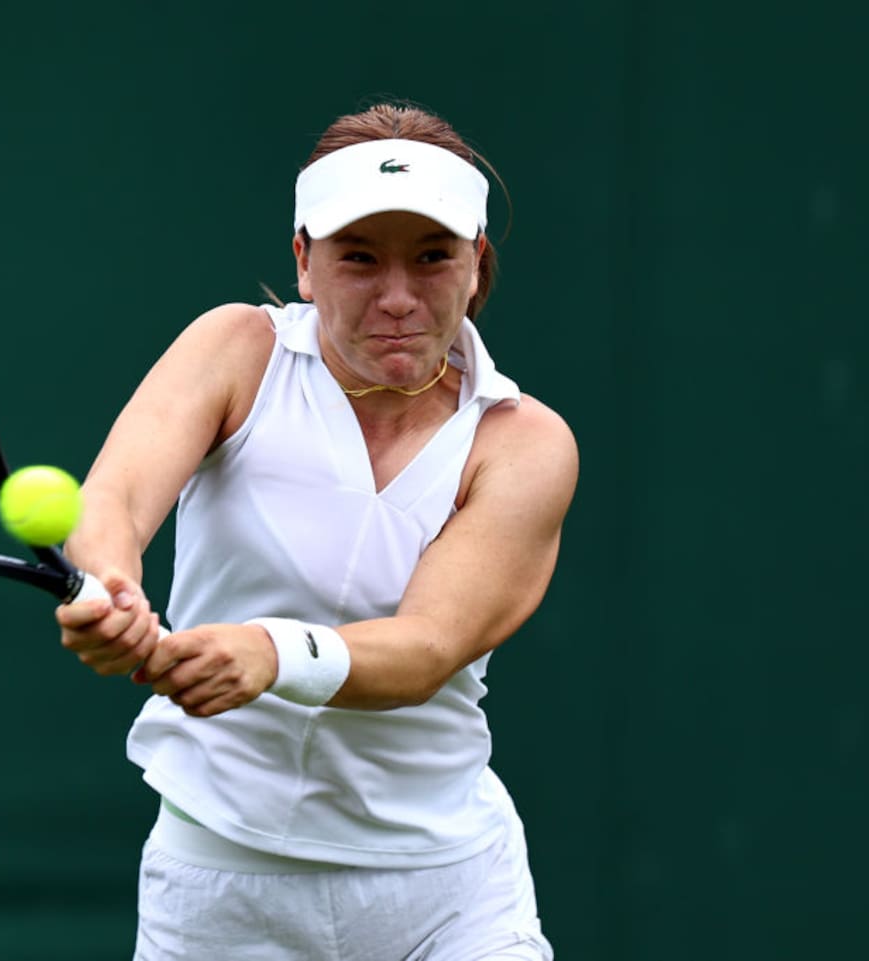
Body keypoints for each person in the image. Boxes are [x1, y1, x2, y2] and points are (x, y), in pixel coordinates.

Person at [55, 102, 578, 960]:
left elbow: (426, 646)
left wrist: (270, 652)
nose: (398, 297)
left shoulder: (523, 442)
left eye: (434, 257)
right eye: (360, 258)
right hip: (221, 896)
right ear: (305, 261)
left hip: (449, 898)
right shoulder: (233, 351)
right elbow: (111, 502)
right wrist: (113, 587)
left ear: (477, 265)